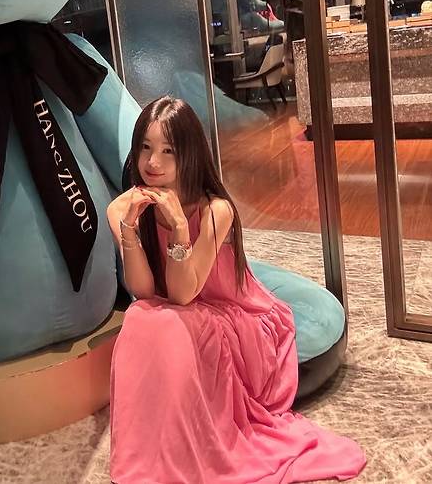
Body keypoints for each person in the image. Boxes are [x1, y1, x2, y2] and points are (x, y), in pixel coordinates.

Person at [107, 96, 366, 484]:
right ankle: (143, 460)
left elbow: (182, 294)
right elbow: (145, 292)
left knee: (161, 321)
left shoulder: (216, 210)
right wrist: (128, 230)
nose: (153, 162)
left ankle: (179, 457)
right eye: (145, 147)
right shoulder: (124, 208)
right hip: (180, 310)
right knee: (140, 317)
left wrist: (180, 228)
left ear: (189, 154)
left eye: (168, 150)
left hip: (232, 315)